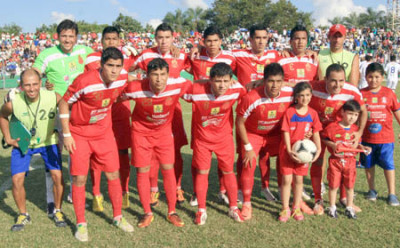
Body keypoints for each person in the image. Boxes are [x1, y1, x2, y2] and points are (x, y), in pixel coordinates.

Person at [59, 47, 134, 242]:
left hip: (104, 134)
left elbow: (116, 95)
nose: (114, 70)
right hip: (80, 134)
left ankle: (117, 216)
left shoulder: (121, 79)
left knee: (113, 174)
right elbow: (64, 103)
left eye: (118, 66)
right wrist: (66, 134)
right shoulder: (84, 80)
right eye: (110, 66)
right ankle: (81, 223)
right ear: (101, 64)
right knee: (79, 179)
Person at [32, 19, 93, 212]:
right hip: (55, 111)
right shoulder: (47, 54)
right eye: (64, 36)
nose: (67, 40)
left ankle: (72, 194)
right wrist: (37, 83)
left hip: (79, 111)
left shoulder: (85, 51)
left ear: (76, 37)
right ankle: (51, 198)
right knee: (53, 155)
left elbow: (105, 62)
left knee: (76, 154)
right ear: (57, 36)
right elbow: (34, 72)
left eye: (71, 36)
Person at [123, 58, 190, 228]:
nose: (159, 79)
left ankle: (172, 211)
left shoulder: (177, 85)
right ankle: (147, 212)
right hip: (141, 134)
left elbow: (204, 86)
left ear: (168, 75)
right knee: (143, 171)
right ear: (147, 75)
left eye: (162, 74)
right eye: (154, 74)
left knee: (168, 170)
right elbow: (113, 94)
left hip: (164, 134)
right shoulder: (135, 87)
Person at [131, 23, 190, 206]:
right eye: (160, 37)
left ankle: (177, 187)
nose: (164, 41)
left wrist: (198, 48)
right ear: (155, 38)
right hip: (149, 110)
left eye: (167, 37)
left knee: (176, 151)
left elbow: (200, 71)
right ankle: (153, 189)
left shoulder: (180, 55)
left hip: (173, 110)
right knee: (151, 155)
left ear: (173, 38)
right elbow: (127, 68)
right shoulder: (146, 54)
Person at [0, 69, 66, 231]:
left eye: (35, 84)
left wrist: (64, 126)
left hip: (48, 141)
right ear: (21, 86)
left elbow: (63, 102)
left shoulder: (51, 96)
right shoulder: (14, 102)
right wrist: (8, 137)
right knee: (17, 179)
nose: (31, 88)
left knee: (57, 176)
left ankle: (57, 210)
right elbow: (2, 115)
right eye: (27, 85)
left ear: (40, 83)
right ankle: (23, 214)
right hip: (24, 144)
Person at [182, 63, 245, 225]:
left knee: (228, 171)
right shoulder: (196, 91)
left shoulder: (236, 89)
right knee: (202, 172)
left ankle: (233, 207)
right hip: (202, 140)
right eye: (218, 81)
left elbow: (250, 90)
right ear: (210, 80)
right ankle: (201, 210)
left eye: (225, 81)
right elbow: (176, 86)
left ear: (231, 80)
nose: (222, 85)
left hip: (224, 139)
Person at [84, 26, 136, 211]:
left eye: (115, 38)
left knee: (123, 152)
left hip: (121, 111)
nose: (111, 42)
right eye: (108, 39)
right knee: (96, 154)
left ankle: (124, 191)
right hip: (99, 112)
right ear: (102, 41)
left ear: (119, 40)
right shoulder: (91, 58)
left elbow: (149, 66)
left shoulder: (129, 58)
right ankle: (97, 193)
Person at [236, 63, 292, 220]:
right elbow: (240, 122)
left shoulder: (289, 93)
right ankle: (247, 203)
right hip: (253, 134)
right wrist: (247, 146)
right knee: (249, 163)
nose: (275, 85)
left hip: (275, 134)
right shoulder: (251, 97)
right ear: (264, 80)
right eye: (271, 81)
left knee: (285, 161)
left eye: (279, 81)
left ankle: (285, 194)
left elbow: (305, 89)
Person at [309, 64, 367, 215]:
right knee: (318, 162)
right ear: (325, 79)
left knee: (345, 163)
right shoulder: (314, 87)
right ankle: (318, 199)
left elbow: (363, 111)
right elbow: (294, 87)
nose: (338, 85)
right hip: (318, 132)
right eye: (333, 81)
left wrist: (359, 132)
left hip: (341, 133)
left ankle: (344, 199)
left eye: (341, 80)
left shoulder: (352, 91)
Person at [188, 25, 237, 206]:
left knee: (223, 157)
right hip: (199, 113)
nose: (212, 44)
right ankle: (196, 191)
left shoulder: (231, 58)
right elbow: (177, 66)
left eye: (216, 40)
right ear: (203, 42)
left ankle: (223, 190)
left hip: (222, 113)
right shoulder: (196, 56)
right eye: (208, 41)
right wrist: (193, 48)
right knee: (198, 154)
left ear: (221, 41)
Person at [233, 24, 281, 203]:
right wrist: (199, 47)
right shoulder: (238, 55)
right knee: (244, 154)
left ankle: (265, 187)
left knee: (265, 154)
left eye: (264, 37)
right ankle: (239, 188)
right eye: (257, 38)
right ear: (250, 39)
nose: (261, 41)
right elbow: (219, 61)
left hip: (268, 112)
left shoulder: (275, 55)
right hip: (246, 115)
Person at [278, 82, 322, 222]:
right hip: (288, 152)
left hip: (304, 155)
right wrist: (289, 150)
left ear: (311, 96)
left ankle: (296, 207)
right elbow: (285, 131)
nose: (305, 98)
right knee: (286, 180)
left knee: (299, 181)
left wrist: (319, 149)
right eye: (301, 95)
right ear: (296, 97)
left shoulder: (313, 113)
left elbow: (316, 133)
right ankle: (285, 208)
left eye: (308, 95)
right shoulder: (290, 112)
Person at [360, 62, 400, 206]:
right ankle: (372, 190)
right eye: (370, 77)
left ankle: (392, 193)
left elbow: (397, 113)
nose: (373, 80)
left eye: (377, 77)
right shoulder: (361, 94)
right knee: (368, 165)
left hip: (386, 138)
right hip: (367, 139)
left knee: (389, 165)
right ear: (366, 77)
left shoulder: (389, 93)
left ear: (382, 77)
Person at [323, 100, 371, 219]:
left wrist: (363, 147)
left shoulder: (355, 130)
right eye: (350, 113)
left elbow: (357, 144)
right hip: (335, 161)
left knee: (350, 186)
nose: (352, 117)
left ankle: (349, 207)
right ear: (343, 112)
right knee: (333, 186)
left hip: (350, 162)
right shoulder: (332, 127)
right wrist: (332, 145)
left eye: (356, 115)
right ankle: (332, 207)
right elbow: (323, 139)